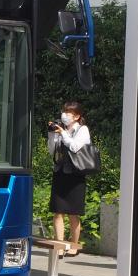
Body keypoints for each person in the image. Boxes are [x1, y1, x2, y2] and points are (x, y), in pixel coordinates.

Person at [47, 100, 91, 256]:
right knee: (58, 211)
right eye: (63, 112)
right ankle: (59, 245)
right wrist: (52, 134)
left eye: (68, 113)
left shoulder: (82, 130)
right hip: (60, 172)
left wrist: (63, 134)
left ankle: (74, 245)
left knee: (73, 212)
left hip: (75, 175)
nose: (64, 116)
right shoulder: (61, 130)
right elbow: (52, 151)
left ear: (77, 116)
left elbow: (74, 147)